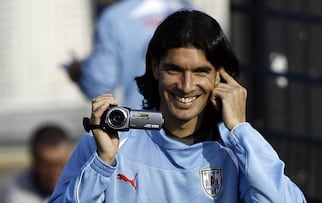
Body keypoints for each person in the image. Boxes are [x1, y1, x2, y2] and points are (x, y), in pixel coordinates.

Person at [49, 10, 307, 202]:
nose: (185, 85)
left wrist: (241, 130)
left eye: (200, 71)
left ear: (220, 76)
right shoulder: (108, 144)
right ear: (154, 67)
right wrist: (102, 163)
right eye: (174, 69)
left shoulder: (239, 150)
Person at [65, 0, 192, 109]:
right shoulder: (190, 10)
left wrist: (78, 74)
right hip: (188, 122)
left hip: (137, 122)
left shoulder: (114, 18)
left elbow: (99, 86)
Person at [0, 124, 71, 203]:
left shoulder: (81, 190)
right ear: (35, 162)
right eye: (48, 166)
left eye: (60, 164)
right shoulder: (13, 194)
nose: (54, 172)